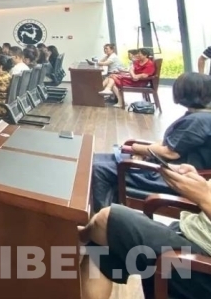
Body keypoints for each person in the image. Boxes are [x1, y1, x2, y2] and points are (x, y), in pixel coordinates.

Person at [79, 163, 211, 299]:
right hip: (190, 231)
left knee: (106, 220)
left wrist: (204, 197)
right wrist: (199, 183)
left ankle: (78, 237)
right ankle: (82, 235)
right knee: (101, 248)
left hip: (202, 264)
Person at [90, 72, 211, 212]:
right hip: (164, 166)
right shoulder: (199, 116)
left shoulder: (198, 121)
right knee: (93, 159)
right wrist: (145, 151)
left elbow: (170, 153)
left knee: (98, 169)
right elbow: (168, 143)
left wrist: (136, 148)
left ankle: (103, 217)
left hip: (169, 176)